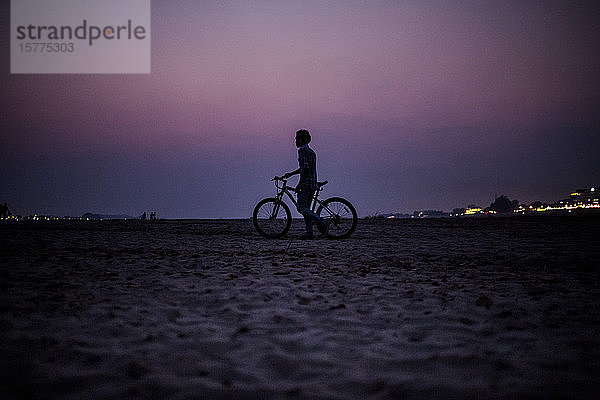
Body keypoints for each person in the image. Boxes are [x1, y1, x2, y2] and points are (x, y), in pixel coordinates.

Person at [281, 129, 329, 239]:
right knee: (307, 209)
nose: (295, 141)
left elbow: (305, 169)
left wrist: (299, 184)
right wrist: (291, 174)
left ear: (301, 140)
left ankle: (322, 221)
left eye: (296, 139)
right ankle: (309, 233)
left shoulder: (302, 150)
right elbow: (304, 167)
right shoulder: (311, 151)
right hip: (313, 182)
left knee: (301, 208)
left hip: (306, 183)